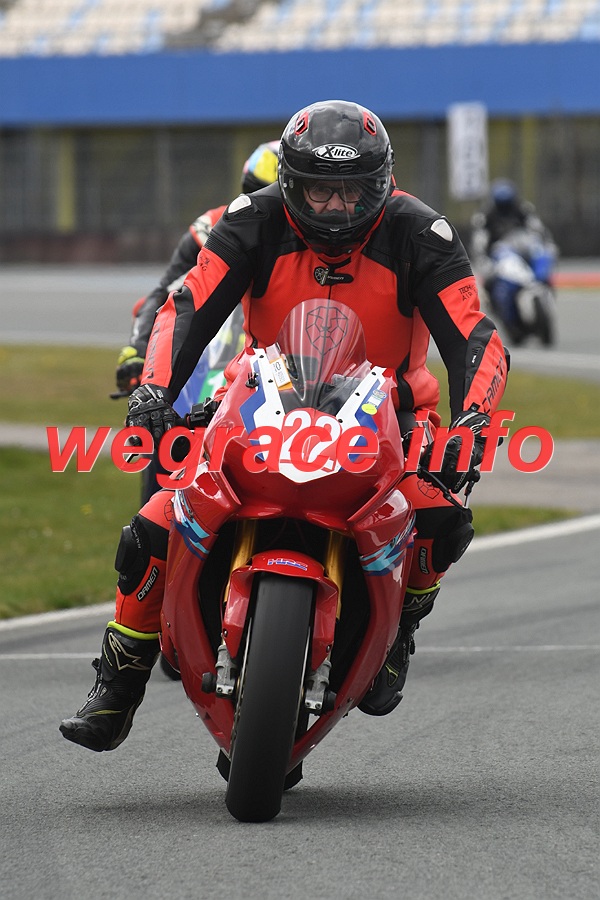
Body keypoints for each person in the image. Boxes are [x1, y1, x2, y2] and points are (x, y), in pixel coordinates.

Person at [60, 100, 509, 753]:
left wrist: (473, 420)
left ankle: (399, 632)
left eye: (352, 191)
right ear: (291, 183)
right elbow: (187, 306)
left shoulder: (422, 233)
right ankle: (118, 683)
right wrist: (155, 388)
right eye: (320, 190)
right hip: (258, 400)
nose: (336, 207)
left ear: (382, 183)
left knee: (443, 516)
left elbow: (476, 336)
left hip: (390, 412)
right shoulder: (252, 219)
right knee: (154, 524)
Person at [114, 139, 279, 502]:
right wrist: (137, 352)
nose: (271, 205)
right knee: (160, 431)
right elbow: (167, 294)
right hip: (207, 372)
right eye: (259, 192)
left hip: (274, 379)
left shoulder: (322, 243)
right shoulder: (218, 225)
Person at [470, 178, 558, 339]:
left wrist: (547, 245)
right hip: (499, 257)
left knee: (543, 270)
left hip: (521, 250)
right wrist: (483, 260)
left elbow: (538, 229)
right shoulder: (485, 216)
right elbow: (479, 241)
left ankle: (546, 301)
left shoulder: (524, 209)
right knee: (490, 283)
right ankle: (502, 313)